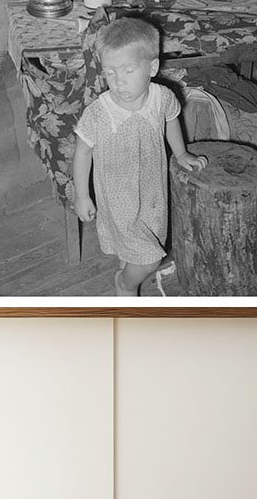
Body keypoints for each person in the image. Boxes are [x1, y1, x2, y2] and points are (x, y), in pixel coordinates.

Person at [72, 17, 207, 296]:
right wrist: (82, 195)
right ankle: (126, 284)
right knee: (149, 258)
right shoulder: (100, 112)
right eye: (110, 73)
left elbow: (171, 118)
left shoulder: (162, 97)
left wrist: (180, 153)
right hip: (118, 198)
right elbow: (82, 152)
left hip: (152, 193)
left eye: (128, 71)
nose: (119, 82)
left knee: (142, 243)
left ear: (152, 67)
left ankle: (125, 273)